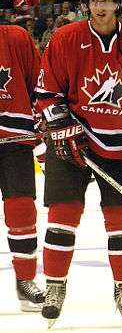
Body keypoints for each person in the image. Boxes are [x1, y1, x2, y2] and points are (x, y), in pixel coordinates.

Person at [36, 0, 122, 328]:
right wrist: (62, 128)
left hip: (120, 148)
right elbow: (47, 94)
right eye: (94, 1)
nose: (100, 7)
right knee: (61, 218)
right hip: (72, 145)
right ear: (86, 4)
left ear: (118, 3)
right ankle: (55, 287)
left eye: (106, 0)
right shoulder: (64, 39)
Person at [0, 25, 44, 311]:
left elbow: (39, 85)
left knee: (22, 210)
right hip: (16, 136)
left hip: (15, 138)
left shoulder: (15, 37)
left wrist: (42, 130)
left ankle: (25, 280)